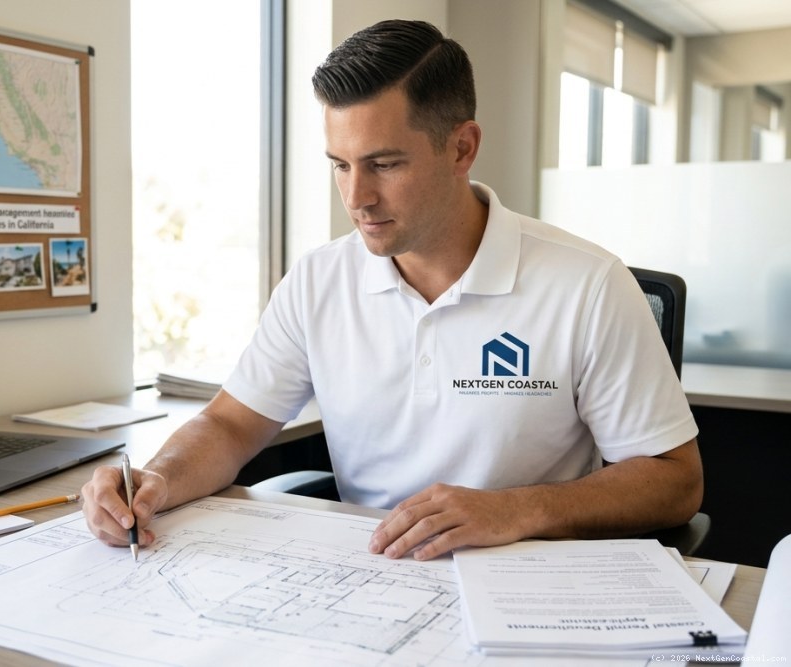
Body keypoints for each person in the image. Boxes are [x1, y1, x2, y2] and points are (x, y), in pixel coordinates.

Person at [83, 19, 702, 561]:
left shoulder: (587, 284)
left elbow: (676, 482)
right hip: (371, 576)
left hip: (524, 580)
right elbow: (228, 426)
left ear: (462, 147)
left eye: (384, 164)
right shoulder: (319, 280)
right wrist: (155, 480)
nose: (356, 198)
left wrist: (515, 510)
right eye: (340, 165)